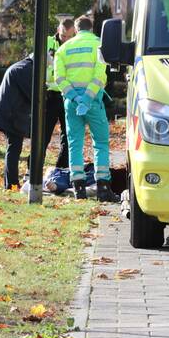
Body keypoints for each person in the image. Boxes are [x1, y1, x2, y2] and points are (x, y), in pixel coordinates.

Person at [54, 16, 114, 201]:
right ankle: (103, 188)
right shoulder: (98, 45)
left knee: (74, 144)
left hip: (71, 103)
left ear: (76, 29)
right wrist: (87, 98)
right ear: (92, 28)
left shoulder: (63, 49)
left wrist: (75, 97)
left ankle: (78, 188)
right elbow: (99, 75)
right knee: (101, 142)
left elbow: (59, 78)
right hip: (93, 101)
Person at [0, 54, 34, 190]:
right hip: (10, 114)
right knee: (14, 148)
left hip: (8, 112)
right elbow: (33, 94)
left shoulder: (22, 66)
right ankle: (11, 184)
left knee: (13, 148)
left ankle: (10, 183)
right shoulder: (25, 69)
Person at [43, 18, 75, 169]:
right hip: (49, 95)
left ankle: (61, 170)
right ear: (58, 30)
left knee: (68, 136)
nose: (66, 39)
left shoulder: (77, 45)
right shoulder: (48, 42)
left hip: (68, 95)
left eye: (69, 36)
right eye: (63, 36)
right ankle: (33, 170)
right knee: (42, 136)